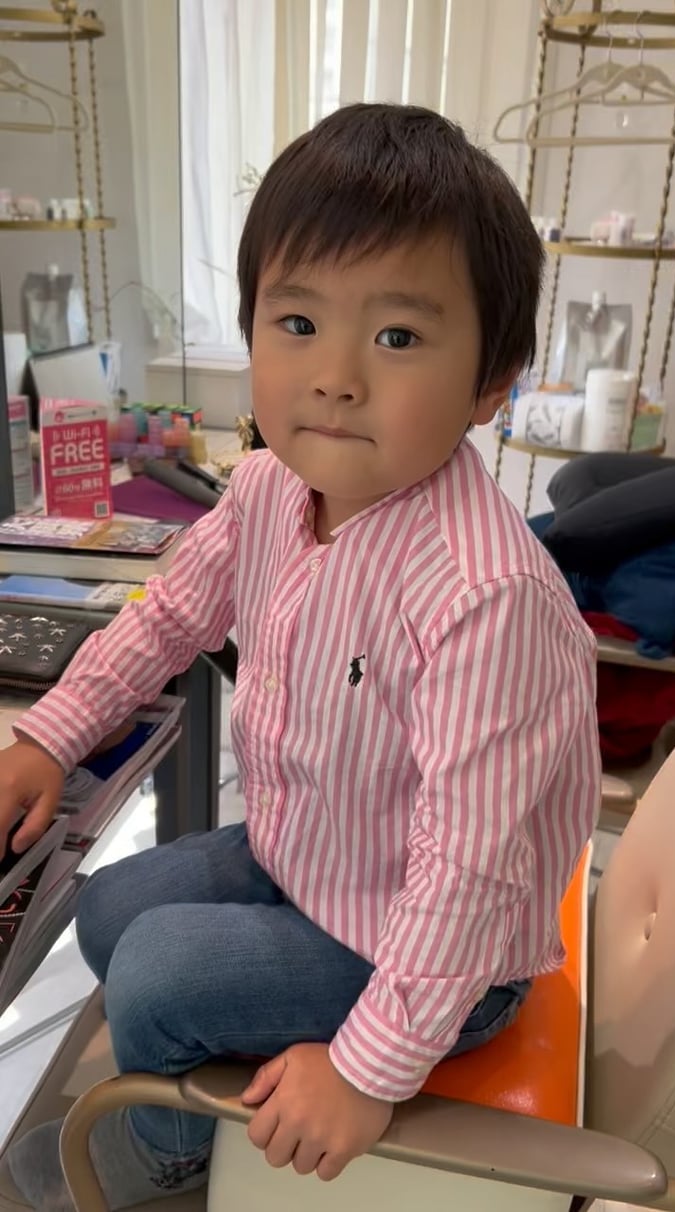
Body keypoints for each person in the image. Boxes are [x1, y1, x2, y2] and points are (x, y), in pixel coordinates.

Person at [1, 103, 600, 1210]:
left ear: (492, 381)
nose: (334, 377)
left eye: (397, 337)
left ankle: (170, 1153)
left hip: (445, 954)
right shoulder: (274, 487)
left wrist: (370, 1070)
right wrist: (48, 736)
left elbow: (467, 873)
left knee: (157, 975)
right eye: (296, 322)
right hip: (313, 858)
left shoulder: (486, 597)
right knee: (106, 907)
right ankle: (218, 1048)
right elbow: (166, 618)